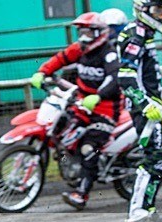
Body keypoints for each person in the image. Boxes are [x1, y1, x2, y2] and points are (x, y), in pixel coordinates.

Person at [30, 12, 122, 210]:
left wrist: (98, 96)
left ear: (98, 33)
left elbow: (114, 79)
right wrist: (42, 71)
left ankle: (82, 194)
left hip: (105, 110)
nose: (83, 37)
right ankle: (71, 167)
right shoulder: (80, 49)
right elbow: (60, 59)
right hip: (81, 105)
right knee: (62, 132)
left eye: (88, 33)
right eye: (81, 33)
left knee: (89, 147)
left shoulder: (109, 53)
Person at [118, 0, 162, 222]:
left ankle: (148, 211)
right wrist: (144, 104)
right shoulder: (137, 34)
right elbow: (125, 76)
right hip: (145, 110)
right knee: (153, 159)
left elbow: (147, 74)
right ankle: (137, 214)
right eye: (158, 10)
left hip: (153, 106)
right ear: (143, 10)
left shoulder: (145, 32)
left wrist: (157, 98)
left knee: (157, 159)